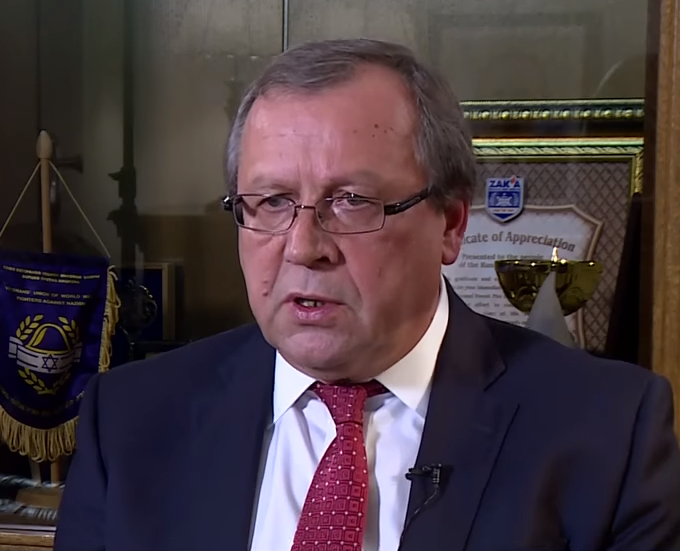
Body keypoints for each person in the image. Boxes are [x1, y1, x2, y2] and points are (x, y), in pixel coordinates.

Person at [53, 38, 680, 551]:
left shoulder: (607, 432)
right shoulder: (131, 421)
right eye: (271, 201)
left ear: (451, 223)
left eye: (352, 201)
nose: (303, 247)